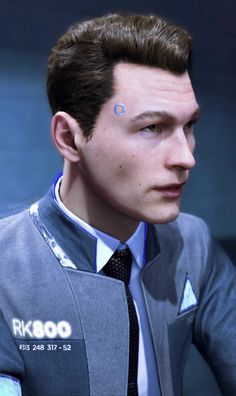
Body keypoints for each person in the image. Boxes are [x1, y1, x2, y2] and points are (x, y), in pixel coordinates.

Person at [0, 13, 235, 396]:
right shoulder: (5, 269)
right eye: (152, 128)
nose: (186, 157)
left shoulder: (192, 244)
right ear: (69, 138)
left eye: (188, 126)